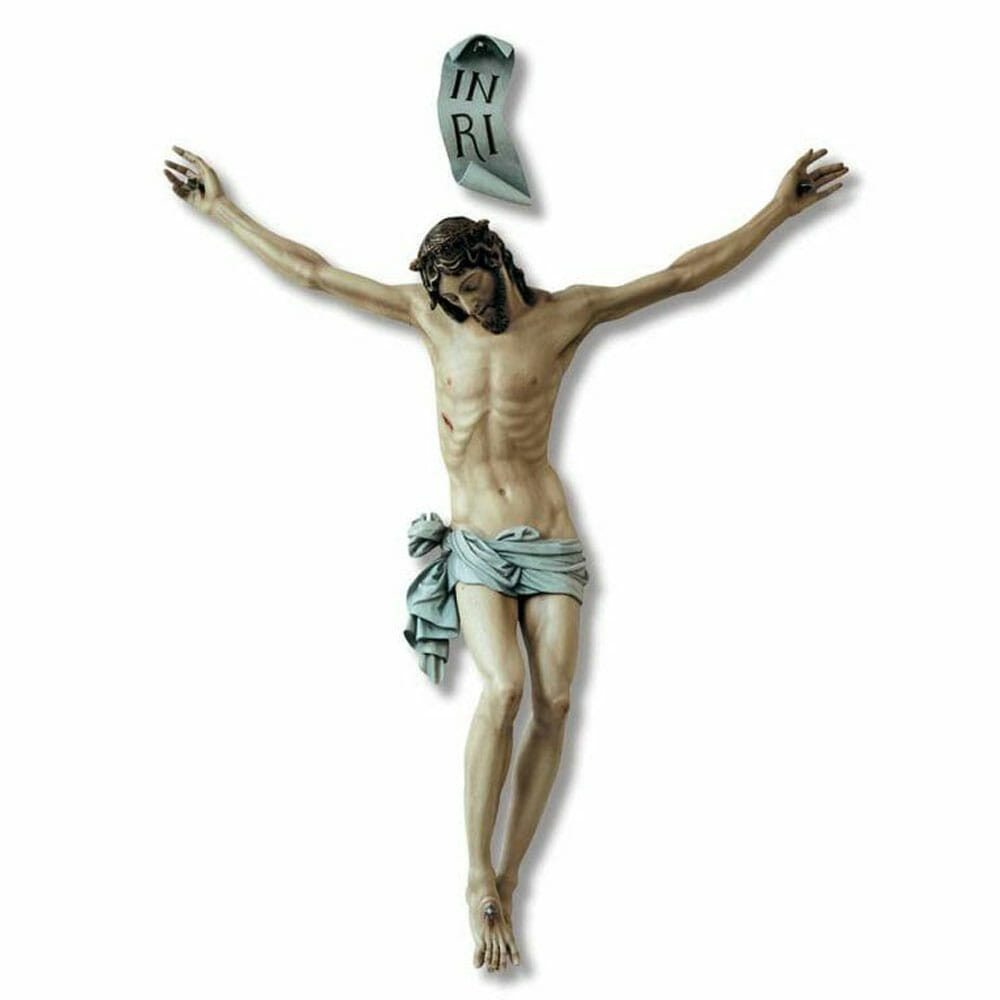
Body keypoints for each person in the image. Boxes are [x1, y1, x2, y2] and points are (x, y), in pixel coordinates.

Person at [163, 145, 848, 972]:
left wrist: (777, 211)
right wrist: (220, 210)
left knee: (555, 702)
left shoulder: (567, 315)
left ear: (493, 257)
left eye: (471, 287)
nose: (463, 305)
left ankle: (511, 875)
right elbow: (313, 273)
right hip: (478, 542)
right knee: (504, 689)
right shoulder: (429, 318)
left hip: (549, 536)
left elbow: (681, 275)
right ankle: (475, 873)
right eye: (450, 295)